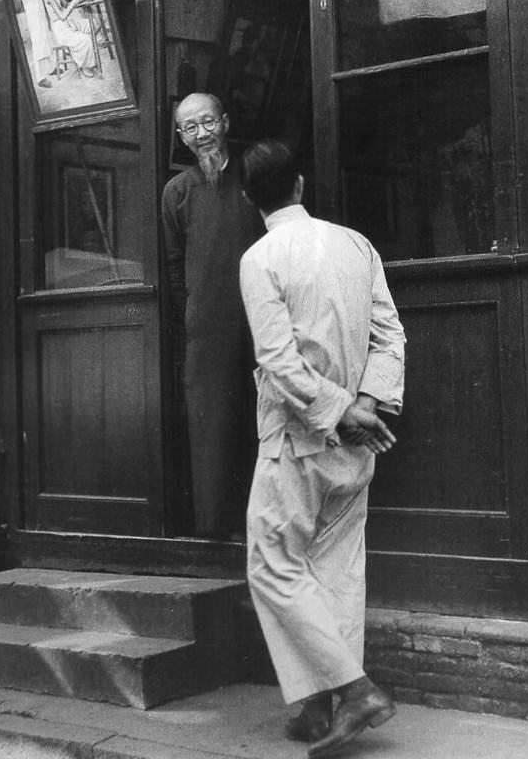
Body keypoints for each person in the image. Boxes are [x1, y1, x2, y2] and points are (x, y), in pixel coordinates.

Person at [238, 139, 405, 756]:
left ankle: (356, 692)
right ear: (301, 185)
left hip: (296, 438)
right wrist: (369, 406)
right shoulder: (356, 244)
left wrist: (339, 411)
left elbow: (278, 363)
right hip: (357, 440)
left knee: (274, 563)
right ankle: (315, 707)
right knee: (333, 568)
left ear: (250, 197)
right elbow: (391, 334)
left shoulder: (260, 259)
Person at [161, 93, 264, 538]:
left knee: (266, 426)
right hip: (207, 329)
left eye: (208, 122)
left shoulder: (254, 178)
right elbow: (171, 264)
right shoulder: (177, 192)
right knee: (212, 432)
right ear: (182, 138)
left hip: (263, 321)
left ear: (225, 121)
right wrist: (191, 314)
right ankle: (214, 535)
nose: (202, 134)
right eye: (191, 128)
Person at [42, 0, 98, 77]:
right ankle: (84, 65)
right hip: (60, 28)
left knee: (91, 24)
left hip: (68, 22)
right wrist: (74, 2)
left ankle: (87, 58)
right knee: (85, 40)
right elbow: (62, 16)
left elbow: (66, 4)